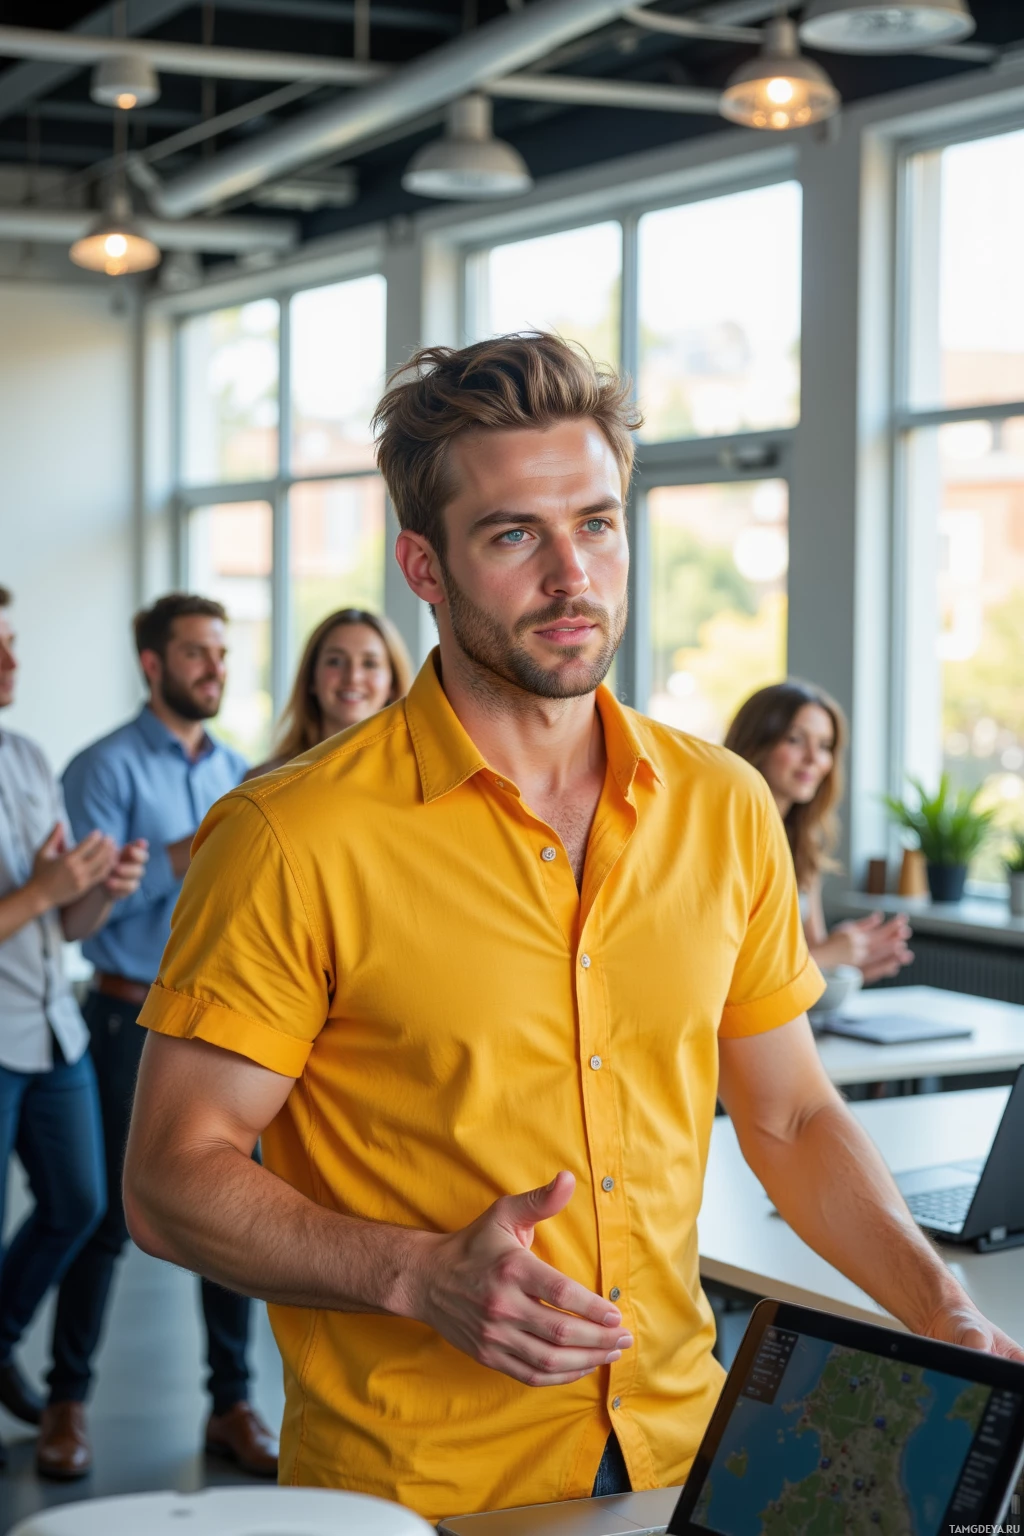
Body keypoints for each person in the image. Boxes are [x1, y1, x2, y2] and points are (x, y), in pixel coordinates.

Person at [122, 335, 1020, 1522]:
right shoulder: (293, 837)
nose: (571, 577)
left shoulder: (721, 805)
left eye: (596, 524)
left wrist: (939, 1312)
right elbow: (172, 1178)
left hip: (680, 1450)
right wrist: (414, 1275)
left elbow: (790, 1114)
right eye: (512, 536)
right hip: (427, 1487)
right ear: (422, 566)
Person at [42, 594, 277, 1482]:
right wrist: (193, 850)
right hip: (124, 1010)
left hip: (223, 1024)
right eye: (195, 654)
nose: (214, 668)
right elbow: (85, 906)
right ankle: (67, 1399)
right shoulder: (99, 769)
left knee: (230, 1217)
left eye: (221, 652)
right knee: (104, 1217)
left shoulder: (242, 769)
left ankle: (232, 1404)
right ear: (153, 665)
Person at [0, 586, 147, 1467]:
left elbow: (64, 924)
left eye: (13, 642)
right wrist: (48, 892)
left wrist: (99, 889)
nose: (14, 661)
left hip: (53, 1028)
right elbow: (34, 900)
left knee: (83, 1203)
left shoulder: (24, 756)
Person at [724, 680, 913, 984]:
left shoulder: (803, 846)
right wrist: (829, 956)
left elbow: (805, 961)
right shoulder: (727, 839)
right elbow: (732, 977)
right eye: (796, 740)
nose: (814, 759)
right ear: (755, 743)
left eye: (825, 746)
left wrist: (851, 966)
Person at [246, 607, 412, 779]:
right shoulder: (263, 783)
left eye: (369, 663)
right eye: (335, 661)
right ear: (311, 677)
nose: (353, 677)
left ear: (393, 683)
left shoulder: (415, 779)